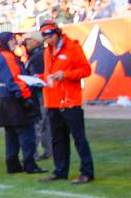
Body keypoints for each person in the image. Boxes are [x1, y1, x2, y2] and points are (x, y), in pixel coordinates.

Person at [36, 21, 94, 184]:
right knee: (58, 139)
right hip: (53, 101)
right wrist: (39, 78)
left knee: (79, 138)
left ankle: (87, 172)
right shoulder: (48, 51)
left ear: (58, 34)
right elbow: (50, 73)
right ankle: (60, 171)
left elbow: (86, 70)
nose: (48, 40)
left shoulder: (72, 47)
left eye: (50, 37)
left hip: (70, 102)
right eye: (45, 37)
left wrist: (66, 75)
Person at [0, 32, 45, 174]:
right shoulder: (7, 57)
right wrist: (26, 97)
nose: (15, 43)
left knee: (11, 135)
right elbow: (15, 79)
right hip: (13, 100)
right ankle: (29, 164)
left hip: (2, 100)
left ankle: (13, 164)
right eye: (12, 40)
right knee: (26, 132)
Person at [22, 30, 51, 161]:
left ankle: (33, 153)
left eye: (28, 40)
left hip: (40, 94)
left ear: (36, 41)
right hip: (42, 94)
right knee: (45, 124)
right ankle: (48, 150)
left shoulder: (38, 55)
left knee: (38, 123)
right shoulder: (38, 54)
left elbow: (40, 77)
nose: (25, 43)